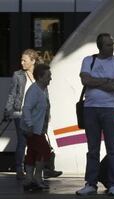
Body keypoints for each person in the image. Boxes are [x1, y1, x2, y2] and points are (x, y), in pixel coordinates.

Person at [76, 33, 114, 196]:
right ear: (100, 46)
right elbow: (85, 81)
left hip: (111, 109)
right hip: (90, 109)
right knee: (93, 149)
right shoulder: (88, 60)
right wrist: (106, 81)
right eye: (108, 45)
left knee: (113, 148)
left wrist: (95, 81)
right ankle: (91, 183)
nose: (112, 48)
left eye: (112, 44)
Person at [4, 49, 62, 180]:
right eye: (21, 60)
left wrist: (48, 112)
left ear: (33, 61)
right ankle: (20, 169)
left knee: (37, 143)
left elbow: (45, 95)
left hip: (38, 115)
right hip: (20, 113)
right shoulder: (18, 75)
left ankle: (40, 171)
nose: (22, 62)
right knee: (23, 142)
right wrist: (8, 111)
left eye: (25, 60)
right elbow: (13, 94)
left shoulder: (40, 74)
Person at [20, 63, 53, 191]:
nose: (50, 78)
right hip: (32, 129)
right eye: (48, 76)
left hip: (38, 129)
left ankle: (29, 181)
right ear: (40, 77)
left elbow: (44, 108)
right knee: (45, 151)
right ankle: (37, 178)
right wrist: (29, 125)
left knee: (33, 152)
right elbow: (26, 108)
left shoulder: (43, 89)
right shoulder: (34, 90)